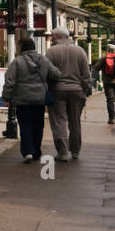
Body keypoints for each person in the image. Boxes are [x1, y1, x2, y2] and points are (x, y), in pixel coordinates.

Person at [2, 37, 61, 162]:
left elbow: (10, 81)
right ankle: (36, 152)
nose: (17, 48)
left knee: (25, 125)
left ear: (22, 47)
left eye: (18, 46)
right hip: (39, 99)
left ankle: (27, 152)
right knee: (38, 125)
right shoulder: (43, 60)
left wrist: (6, 97)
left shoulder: (17, 62)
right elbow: (56, 74)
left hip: (22, 100)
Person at [46, 26, 92, 161]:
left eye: (53, 36)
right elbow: (86, 74)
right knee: (75, 122)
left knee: (59, 121)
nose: (52, 39)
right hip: (77, 91)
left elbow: (46, 73)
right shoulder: (80, 51)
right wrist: (87, 89)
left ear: (58, 36)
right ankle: (76, 151)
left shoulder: (51, 52)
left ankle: (63, 152)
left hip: (57, 90)